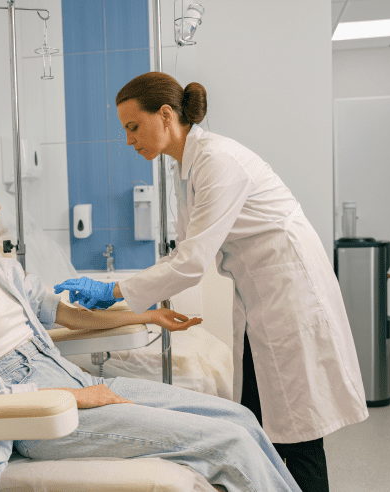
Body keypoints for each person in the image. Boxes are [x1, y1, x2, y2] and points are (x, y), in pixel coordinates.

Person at [0, 153, 302, 492]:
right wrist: (71, 398)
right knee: (226, 442)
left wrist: (147, 315)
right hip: (37, 413)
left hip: (69, 380)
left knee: (239, 418)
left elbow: (66, 314)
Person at [55, 72, 370, 492]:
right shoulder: (187, 167)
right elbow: (183, 250)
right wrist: (147, 305)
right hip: (262, 297)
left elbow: (191, 262)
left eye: (133, 126)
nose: (129, 140)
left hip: (291, 293)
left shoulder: (218, 162)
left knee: (298, 433)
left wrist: (111, 291)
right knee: (259, 421)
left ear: (165, 115)